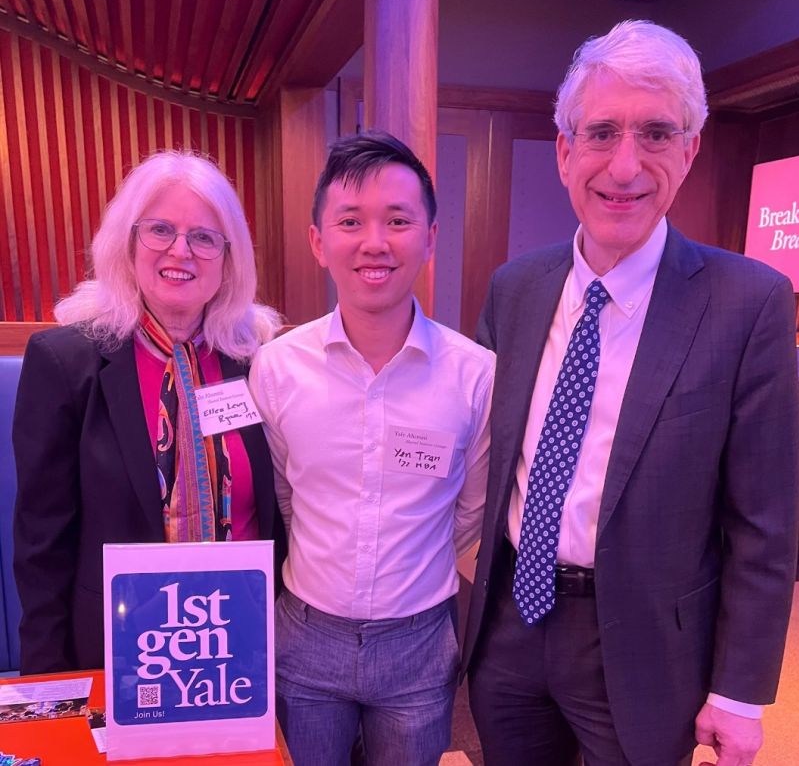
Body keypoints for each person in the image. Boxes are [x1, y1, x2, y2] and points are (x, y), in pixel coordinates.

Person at [463, 20, 799, 766]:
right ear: (563, 150)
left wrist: (741, 693)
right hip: (511, 630)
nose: (624, 165)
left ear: (689, 151)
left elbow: (766, 525)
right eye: (602, 132)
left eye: (654, 134)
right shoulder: (515, 289)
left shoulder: (748, 304)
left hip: (648, 652)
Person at [249, 130, 495, 766]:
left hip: (419, 643)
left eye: (398, 220)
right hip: (304, 637)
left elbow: (470, 509)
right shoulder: (276, 369)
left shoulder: (475, 374)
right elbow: (283, 494)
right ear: (318, 242)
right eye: (351, 221)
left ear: (430, 238)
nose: (375, 242)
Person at [13, 150, 287, 675]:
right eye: (160, 229)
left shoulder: (261, 360)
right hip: (120, 652)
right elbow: (41, 542)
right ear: (127, 241)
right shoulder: (66, 362)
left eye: (204, 237)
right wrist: (48, 681)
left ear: (229, 259)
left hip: (248, 644)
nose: (180, 251)